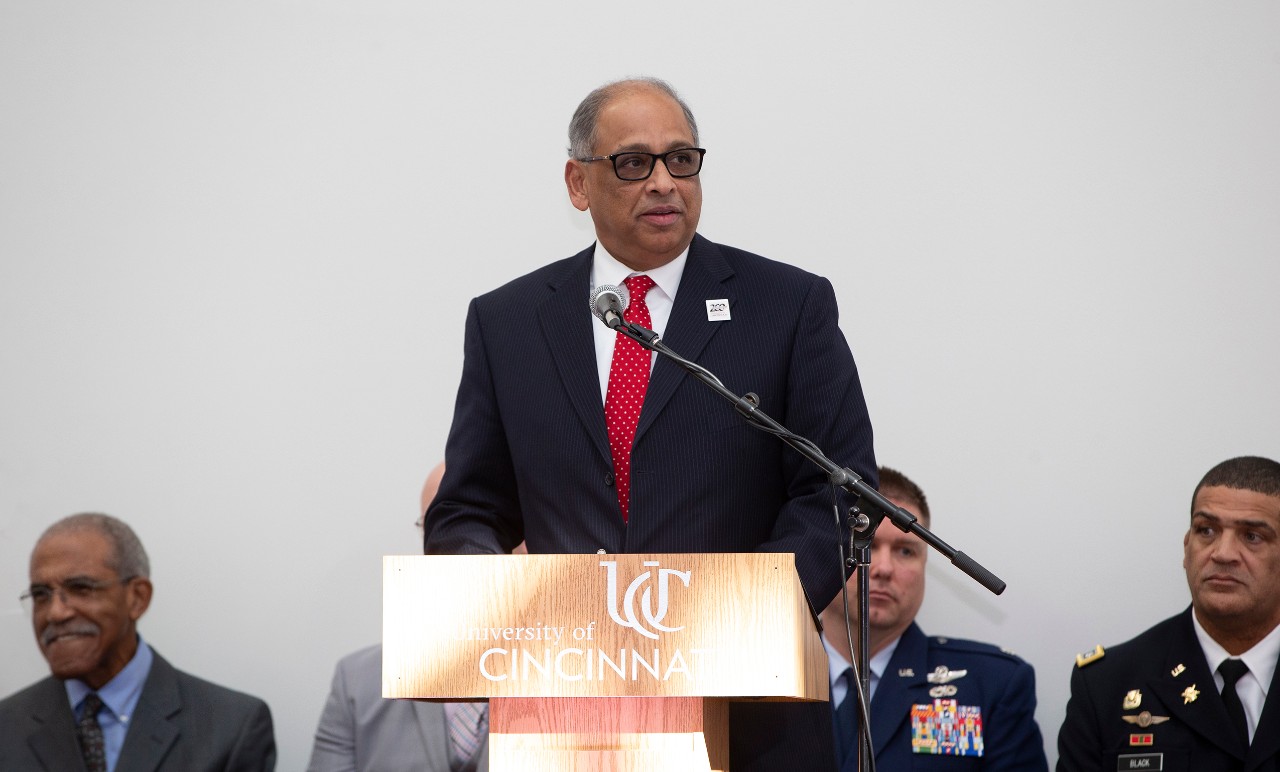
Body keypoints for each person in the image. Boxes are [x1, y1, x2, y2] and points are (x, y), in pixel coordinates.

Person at [422, 76, 877, 770]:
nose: (664, 182)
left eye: (681, 160)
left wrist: (739, 612)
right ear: (578, 183)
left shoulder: (787, 306)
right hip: (568, 708)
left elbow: (837, 492)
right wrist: (502, 607)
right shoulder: (508, 321)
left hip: (752, 711)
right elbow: (468, 510)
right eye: (634, 163)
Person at [0, 513, 275, 771]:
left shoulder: (231, 727)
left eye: (81, 588)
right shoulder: (7, 726)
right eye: (41, 595)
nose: (55, 613)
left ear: (137, 598)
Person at [1057, 455, 1280, 771]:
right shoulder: (1105, 685)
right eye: (1206, 530)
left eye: (1252, 536)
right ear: (1186, 547)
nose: (1223, 553)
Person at [821, 466, 1048, 771]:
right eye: (866, 543)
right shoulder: (764, 676)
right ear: (823, 556)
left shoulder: (992, 685)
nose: (883, 568)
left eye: (905, 551)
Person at [307, 462, 492, 772]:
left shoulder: (574, 676)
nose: (467, 544)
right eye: (442, 523)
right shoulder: (357, 682)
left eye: (489, 522)